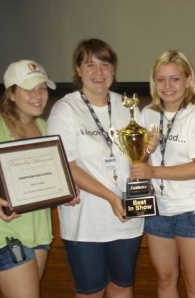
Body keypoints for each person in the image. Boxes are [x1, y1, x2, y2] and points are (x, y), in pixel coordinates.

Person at [46, 38, 158, 298]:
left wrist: (148, 153)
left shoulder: (128, 107)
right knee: (91, 292)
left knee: (122, 287)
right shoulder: (66, 110)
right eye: (90, 65)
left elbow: (138, 159)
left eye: (105, 65)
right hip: (86, 222)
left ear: (114, 69)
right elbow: (66, 164)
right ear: (77, 69)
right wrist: (110, 197)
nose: (99, 73)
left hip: (126, 218)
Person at [0, 59, 63, 297]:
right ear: (12, 94)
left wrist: (63, 194)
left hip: (38, 233)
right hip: (4, 234)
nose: (38, 95)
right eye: (29, 89)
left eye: (43, 88)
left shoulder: (44, 126)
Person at [130, 50, 195, 298]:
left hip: (193, 209)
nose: (167, 86)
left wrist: (152, 170)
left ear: (188, 80)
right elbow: (139, 164)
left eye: (175, 79)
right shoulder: (148, 114)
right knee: (165, 279)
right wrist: (148, 150)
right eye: (160, 79)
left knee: (194, 284)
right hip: (158, 208)